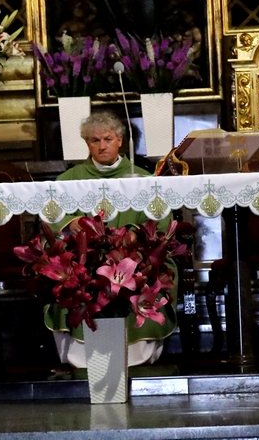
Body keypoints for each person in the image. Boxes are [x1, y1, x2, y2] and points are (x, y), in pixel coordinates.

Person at [50, 110, 176, 366]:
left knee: (154, 267)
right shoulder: (68, 180)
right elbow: (51, 215)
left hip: (134, 258)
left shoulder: (143, 179)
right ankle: (85, 359)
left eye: (107, 139)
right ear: (87, 143)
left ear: (120, 140)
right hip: (85, 259)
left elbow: (160, 219)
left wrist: (135, 236)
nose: (102, 146)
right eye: (94, 140)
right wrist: (72, 222)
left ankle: (137, 356)